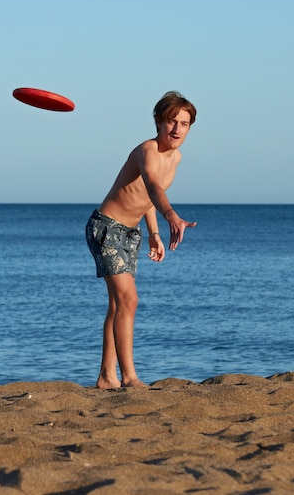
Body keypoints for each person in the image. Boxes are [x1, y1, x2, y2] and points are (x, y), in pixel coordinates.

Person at [86, 91, 198, 389]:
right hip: (107, 227)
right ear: (159, 122)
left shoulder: (176, 158)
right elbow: (152, 183)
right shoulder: (146, 151)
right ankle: (129, 377)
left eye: (184, 124)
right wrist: (171, 215)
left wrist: (154, 233)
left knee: (117, 305)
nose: (177, 129)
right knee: (128, 300)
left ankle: (106, 377)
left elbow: (148, 197)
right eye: (171, 121)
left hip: (130, 233)